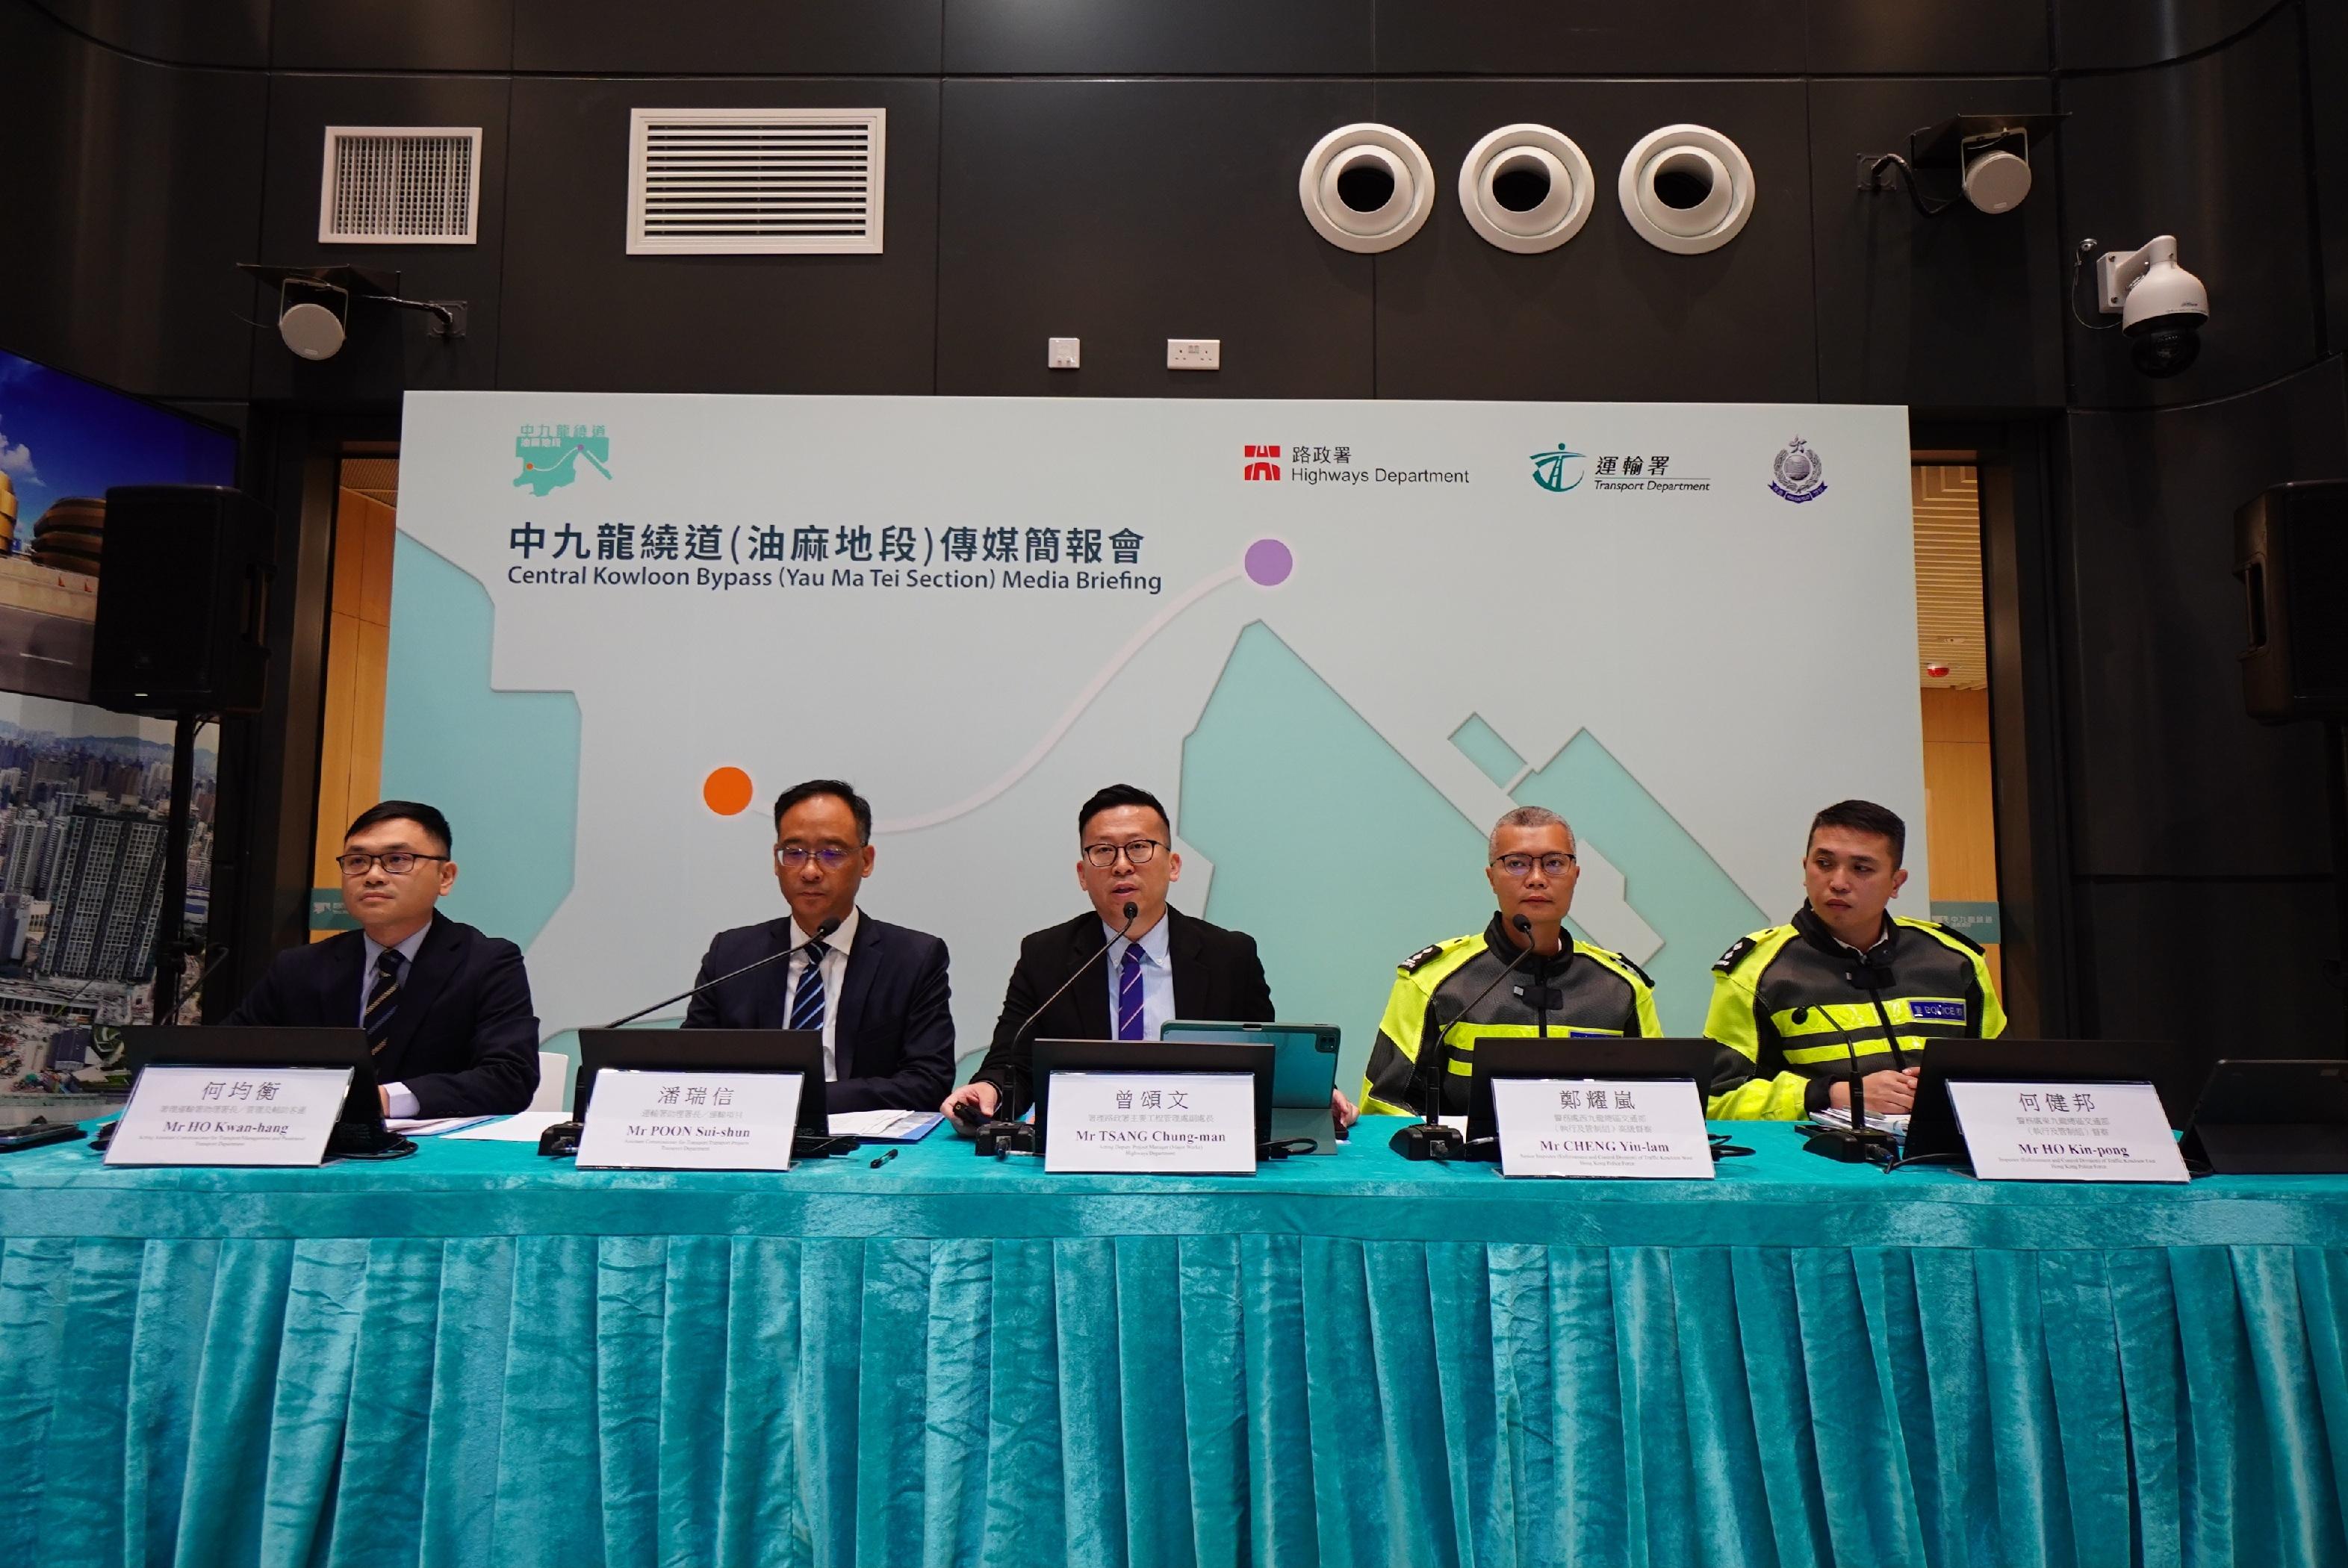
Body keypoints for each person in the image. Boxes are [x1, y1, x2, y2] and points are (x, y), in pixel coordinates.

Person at [942, 783, 1273, 1124]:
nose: (1122, 866)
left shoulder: (1231, 957)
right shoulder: (1045, 956)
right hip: (1088, 1141)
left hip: (1197, 1137)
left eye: (1139, 847)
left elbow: (1266, 1067)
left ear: (1173, 866)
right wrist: (988, 1091)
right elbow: (1012, 1065)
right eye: (1103, 851)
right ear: (1083, 875)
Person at [226, 800, 539, 1117]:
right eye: (357, 861)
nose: (373, 876)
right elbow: (228, 1057)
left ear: (445, 877)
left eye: (397, 860)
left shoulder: (487, 962)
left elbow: (510, 1077)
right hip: (316, 1139)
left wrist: (385, 1100)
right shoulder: (299, 967)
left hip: (429, 1144)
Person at [1704, 798, 2004, 1120]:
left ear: (1896, 882)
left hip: (1941, 1149)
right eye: (1824, 863)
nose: (1838, 883)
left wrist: (1948, 1092)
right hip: (1816, 1150)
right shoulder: (1757, 971)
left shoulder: (1954, 960)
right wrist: (1831, 1094)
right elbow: (1716, 1099)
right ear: (1805, 869)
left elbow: (2006, 1080)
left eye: (1861, 868)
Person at [1355, 806, 1661, 1120]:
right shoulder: (1432, 982)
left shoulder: (1621, 989)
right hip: (1463, 1153)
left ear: (1575, 875)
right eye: (1516, 864)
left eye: (1554, 863)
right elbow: (1385, 1107)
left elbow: (1661, 1104)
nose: (1537, 879)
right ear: (1492, 878)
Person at [683, 779, 952, 1113]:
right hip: (752, 1130)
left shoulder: (914, 959)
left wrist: (801, 1099)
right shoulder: (731, 956)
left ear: (866, 861)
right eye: (794, 853)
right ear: (776, 861)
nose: (810, 871)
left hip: (862, 1140)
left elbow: (928, 1081)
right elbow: (690, 1065)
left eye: (832, 853)